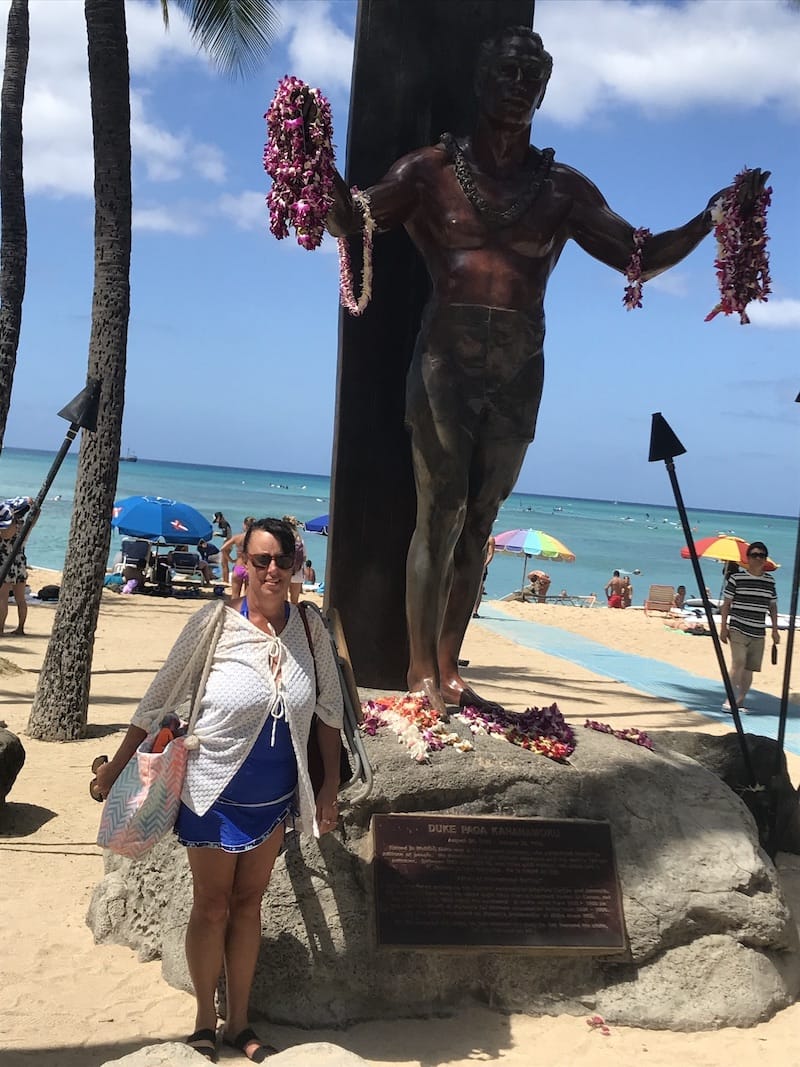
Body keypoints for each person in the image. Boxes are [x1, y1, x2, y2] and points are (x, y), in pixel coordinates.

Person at [324, 27, 764, 714]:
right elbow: (354, 218)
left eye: (533, 74)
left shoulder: (561, 188)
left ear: (545, 90)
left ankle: (449, 660)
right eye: (507, 69)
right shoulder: (429, 171)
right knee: (439, 514)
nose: (519, 83)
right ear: (481, 81)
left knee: (480, 519)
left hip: (520, 365)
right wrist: (310, 174)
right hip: (446, 358)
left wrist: (710, 218)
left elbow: (637, 256)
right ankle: (417, 671)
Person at [92, 517, 344, 1062]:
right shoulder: (213, 622)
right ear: (244, 566)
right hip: (210, 789)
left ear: (297, 565)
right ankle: (205, 1021)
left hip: (275, 797)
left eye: (282, 560)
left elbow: (328, 711)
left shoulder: (309, 628)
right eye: (261, 561)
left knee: (249, 905)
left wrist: (327, 786)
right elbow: (161, 694)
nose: (272, 570)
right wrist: (116, 766)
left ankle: (240, 1023)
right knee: (211, 906)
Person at [719, 541, 779, 713]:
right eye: (754, 555)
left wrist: (775, 630)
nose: (758, 558)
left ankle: (740, 701)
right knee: (738, 662)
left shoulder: (769, 581)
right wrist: (723, 627)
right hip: (738, 627)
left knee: (750, 668)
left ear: (765, 559)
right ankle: (729, 699)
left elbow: (773, 606)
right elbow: (726, 604)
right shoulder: (737, 578)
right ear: (748, 558)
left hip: (758, 630)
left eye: (761, 555)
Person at [0, 496, 34, 635]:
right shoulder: (24, 524)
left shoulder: (5, 527)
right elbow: (36, 508)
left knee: (2, 597)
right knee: (20, 598)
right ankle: (20, 628)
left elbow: (5, 539)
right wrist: (28, 502)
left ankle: (0, 629)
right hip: (19, 561)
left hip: (4, 562)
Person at [221, 517, 255, 596]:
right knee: (247, 597)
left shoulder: (237, 537)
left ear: (244, 525)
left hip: (238, 566)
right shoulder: (255, 538)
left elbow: (223, 549)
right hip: (250, 567)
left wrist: (230, 560)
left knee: (235, 597)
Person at [282, 517, 305, 606]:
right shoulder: (300, 541)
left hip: (285, 571)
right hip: (298, 573)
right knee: (294, 601)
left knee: (283, 600)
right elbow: (304, 557)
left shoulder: (284, 539)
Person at [472, 534, 495, 618]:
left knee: (479, 588)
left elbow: (490, 554)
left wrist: (484, 565)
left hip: (481, 566)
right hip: (470, 565)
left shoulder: (490, 539)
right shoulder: (474, 536)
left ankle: (475, 611)